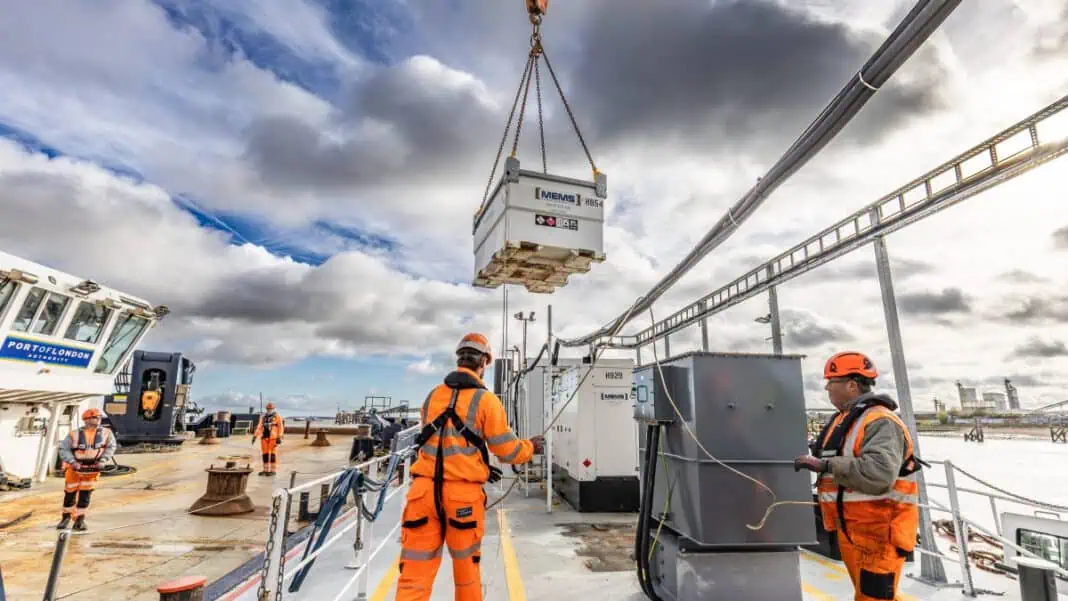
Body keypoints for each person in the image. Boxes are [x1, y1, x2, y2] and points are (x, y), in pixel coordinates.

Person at [395, 332, 544, 601]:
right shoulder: (486, 400)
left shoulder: (432, 396)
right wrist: (531, 446)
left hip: (422, 494)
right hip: (461, 498)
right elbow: (507, 450)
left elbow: (441, 443)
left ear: (459, 360)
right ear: (484, 362)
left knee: (413, 576)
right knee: (466, 574)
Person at [794, 351, 927, 601]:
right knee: (868, 594)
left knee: (874, 597)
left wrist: (825, 466)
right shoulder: (845, 419)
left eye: (831, 382)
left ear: (851, 385)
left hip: (879, 532)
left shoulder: (881, 421)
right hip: (853, 529)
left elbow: (878, 474)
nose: (826, 388)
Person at [56, 407, 116, 531]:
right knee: (70, 494)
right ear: (86, 420)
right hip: (74, 468)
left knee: (85, 495)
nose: (98, 419)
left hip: (92, 469)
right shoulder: (74, 434)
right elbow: (64, 449)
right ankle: (66, 518)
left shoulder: (107, 433)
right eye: (95, 417)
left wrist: (103, 460)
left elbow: (111, 447)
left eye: (99, 417)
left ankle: (80, 520)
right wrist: (72, 462)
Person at [252, 403, 285, 476]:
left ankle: (273, 470)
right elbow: (259, 427)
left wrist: (279, 437)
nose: (269, 410)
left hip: (273, 438)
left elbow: (281, 427)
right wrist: (255, 436)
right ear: (266, 409)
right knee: (265, 454)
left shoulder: (277, 416)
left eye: (271, 409)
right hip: (264, 438)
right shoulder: (263, 417)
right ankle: (265, 470)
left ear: (273, 409)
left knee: (273, 454)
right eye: (268, 409)